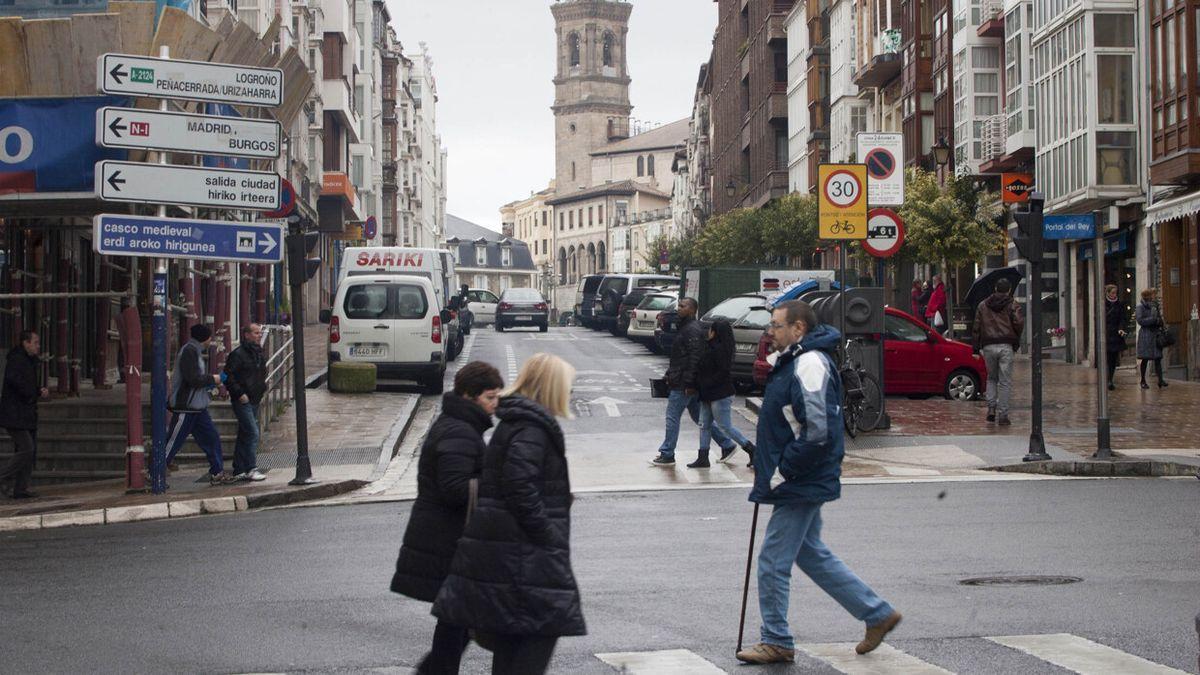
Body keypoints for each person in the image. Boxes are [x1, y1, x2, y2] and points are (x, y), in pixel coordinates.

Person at [736, 301, 900, 665]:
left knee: (772, 560)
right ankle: (876, 613)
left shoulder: (809, 363)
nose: (769, 332)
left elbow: (817, 431)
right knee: (809, 553)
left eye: (776, 326)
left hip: (800, 479)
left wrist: (782, 472)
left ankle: (776, 639)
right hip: (802, 476)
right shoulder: (799, 360)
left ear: (798, 329)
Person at [433, 353, 585, 675]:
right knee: (533, 642)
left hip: (512, 557)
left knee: (515, 648)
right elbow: (519, 487)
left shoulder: (520, 423)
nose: (569, 392)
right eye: (566, 385)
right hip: (525, 559)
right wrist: (547, 534)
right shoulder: (532, 429)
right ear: (550, 387)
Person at [392, 361, 504, 675]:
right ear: (469, 396)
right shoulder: (460, 431)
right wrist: (499, 484)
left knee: (458, 625)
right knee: (457, 624)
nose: (496, 405)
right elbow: (455, 488)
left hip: (446, 539)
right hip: (448, 543)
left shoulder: (459, 425)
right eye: (490, 398)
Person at [651, 297, 732, 466]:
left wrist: (689, 383)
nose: (678, 308)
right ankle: (727, 444)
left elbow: (695, 358)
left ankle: (667, 453)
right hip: (683, 380)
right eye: (679, 305)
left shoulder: (691, 330)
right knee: (699, 417)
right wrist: (669, 373)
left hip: (683, 384)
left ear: (693, 310)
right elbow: (681, 357)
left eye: (683, 306)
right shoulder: (685, 328)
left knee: (672, 416)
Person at [165, 324, 232, 485]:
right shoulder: (189, 351)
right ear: (204, 338)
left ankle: (217, 471)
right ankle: (155, 471)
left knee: (211, 437)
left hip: (197, 406)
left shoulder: (194, 351)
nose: (211, 340)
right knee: (173, 441)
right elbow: (193, 378)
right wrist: (213, 379)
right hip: (186, 407)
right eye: (210, 337)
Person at [693, 319, 756, 468]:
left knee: (725, 426)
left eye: (710, 330)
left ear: (715, 332)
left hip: (719, 394)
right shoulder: (715, 347)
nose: (707, 333)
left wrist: (706, 384)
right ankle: (703, 456)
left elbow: (721, 373)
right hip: (708, 393)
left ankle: (751, 449)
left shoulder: (719, 350)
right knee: (704, 425)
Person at [0, 331, 49, 499]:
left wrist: (37, 391)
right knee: (27, 448)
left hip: (26, 413)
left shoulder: (30, 361)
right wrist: (32, 392)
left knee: (29, 450)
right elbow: (16, 383)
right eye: (35, 342)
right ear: (25, 343)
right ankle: (3, 477)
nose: (38, 346)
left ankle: (21, 488)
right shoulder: (16, 360)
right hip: (15, 413)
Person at [972, 277, 1023, 426]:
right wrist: (1015, 338)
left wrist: (975, 348)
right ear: (1008, 290)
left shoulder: (983, 305)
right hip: (1006, 345)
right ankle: (1003, 415)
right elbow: (1019, 323)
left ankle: (991, 409)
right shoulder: (1013, 304)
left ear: (995, 289)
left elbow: (976, 327)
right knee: (1005, 382)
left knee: (991, 378)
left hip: (988, 346)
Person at [224, 323, 268, 482]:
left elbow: (261, 372)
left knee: (244, 433)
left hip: (255, 397)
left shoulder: (258, 353)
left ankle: (239, 468)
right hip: (242, 399)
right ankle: (251, 467)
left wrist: (262, 388)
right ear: (247, 335)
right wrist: (239, 393)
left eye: (259, 332)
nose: (259, 335)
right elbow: (228, 376)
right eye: (256, 333)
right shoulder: (238, 354)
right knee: (252, 432)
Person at [1135, 288, 1168, 389]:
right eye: (1153, 295)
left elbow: (1158, 318)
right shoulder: (1140, 307)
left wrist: (1160, 322)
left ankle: (1160, 380)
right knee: (1145, 359)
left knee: (1158, 358)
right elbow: (1140, 320)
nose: (1155, 297)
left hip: (1155, 334)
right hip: (1146, 334)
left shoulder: (1155, 306)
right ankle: (1143, 380)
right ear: (1148, 296)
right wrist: (1153, 320)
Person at [1103, 285, 1128, 390]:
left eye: (1115, 293)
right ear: (1108, 293)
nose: (1114, 295)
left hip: (1116, 334)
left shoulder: (1119, 304)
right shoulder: (1103, 304)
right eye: (1112, 293)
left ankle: (1110, 380)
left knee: (1113, 358)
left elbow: (1123, 318)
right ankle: (1106, 379)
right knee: (1107, 358)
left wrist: (1121, 328)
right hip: (1106, 334)